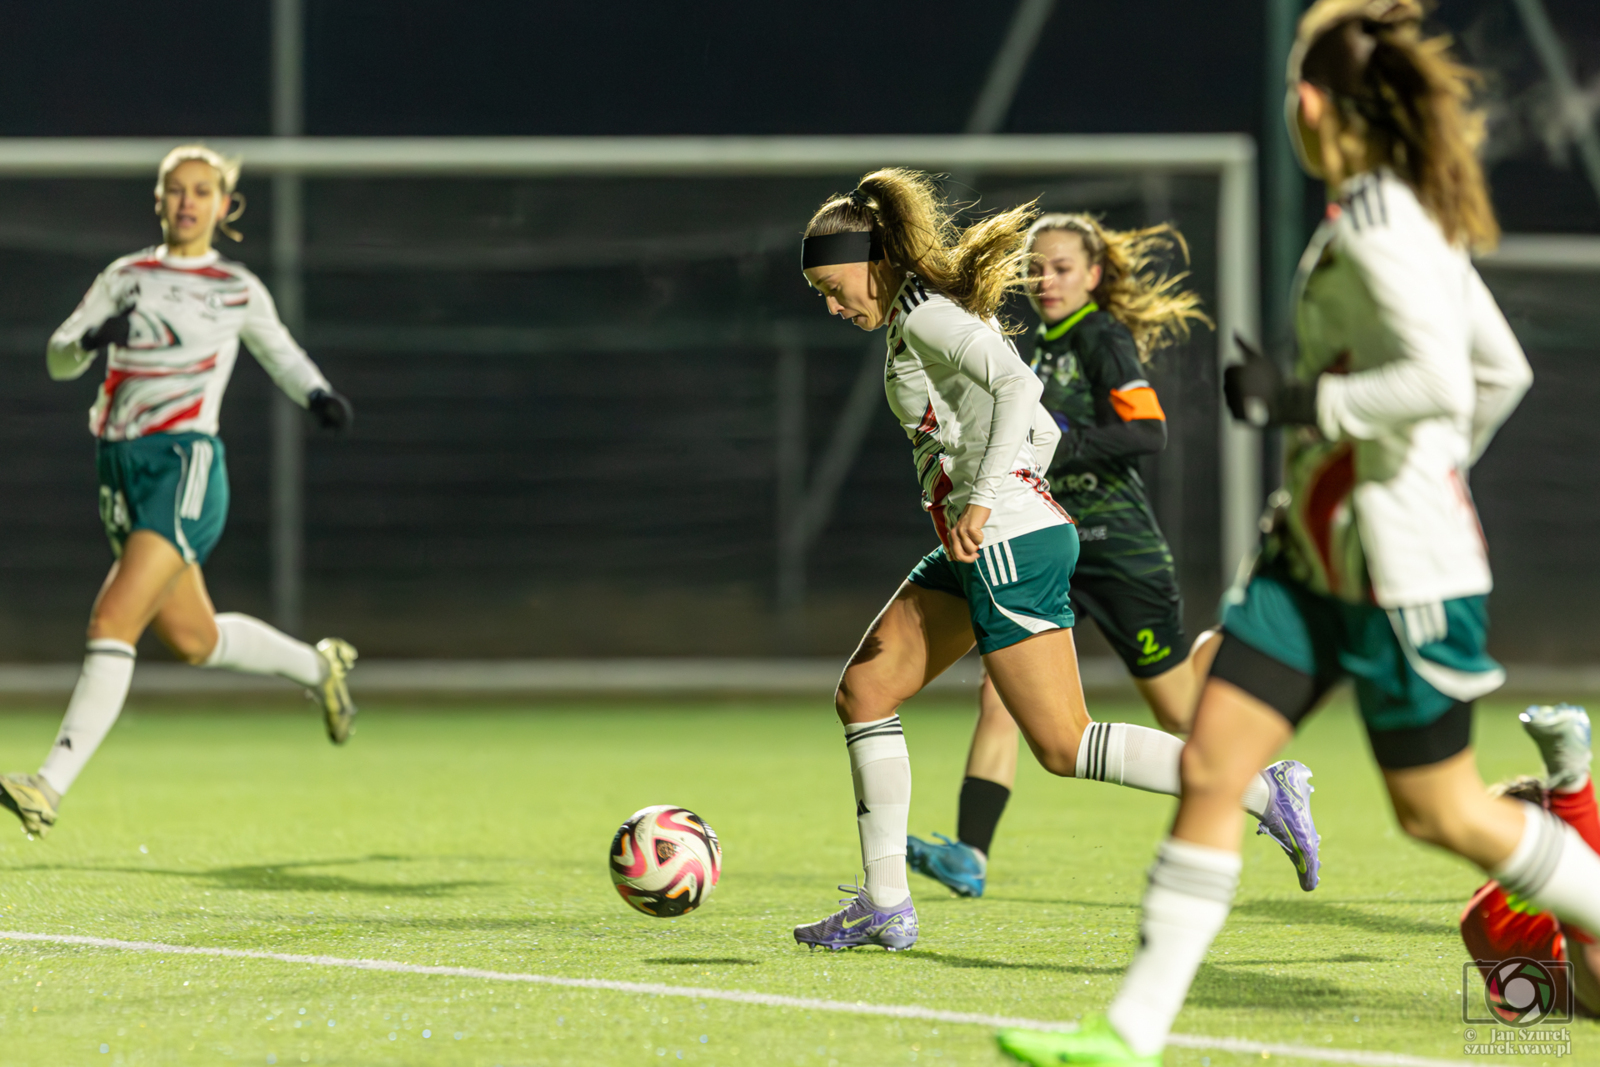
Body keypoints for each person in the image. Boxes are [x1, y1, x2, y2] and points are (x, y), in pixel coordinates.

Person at [997, 3, 1600, 1063]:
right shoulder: (1373, 209)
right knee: (1212, 765)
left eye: (1291, 84)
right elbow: (1501, 375)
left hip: (1400, 575)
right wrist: (1394, 456)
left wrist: (1310, 412)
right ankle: (1127, 1029)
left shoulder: (1383, 229)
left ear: (1310, 103)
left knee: (1443, 811)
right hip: (1305, 565)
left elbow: (1446, 378)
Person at [791, 169, 1319, 953]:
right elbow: (1038, 425)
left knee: (1063, 744)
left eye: (835, 286)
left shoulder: (927, 315)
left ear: (874, 260)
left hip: (1003, 539)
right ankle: (884, 903)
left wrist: (983, 498)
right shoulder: (917, 319)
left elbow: (1016, 383)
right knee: (865, 689)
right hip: (993, 538)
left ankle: (1259, 787)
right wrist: (995, 487)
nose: (833, 306)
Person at [907, 215, 1319, 899]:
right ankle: (969, 853)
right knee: (1001, 695)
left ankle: (1267, 758)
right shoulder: (1035, 350)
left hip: (1117, 550)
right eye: (1036, 267)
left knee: (1182, 714)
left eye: (1062, 267)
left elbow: (1146, 430)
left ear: (1093, 275)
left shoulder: (1101, 337)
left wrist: (1048, 445)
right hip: (1047, 543)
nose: (1046, 279)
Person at [0, 145, 359, 839]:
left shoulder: (236, 288)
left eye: (203, 191)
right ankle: (319, 667)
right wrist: (89, 341)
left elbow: (279, 351)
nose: (189, 201)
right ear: (159, 200)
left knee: (112, 619)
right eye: (176, 189)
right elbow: (58, 356)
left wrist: (317, 393)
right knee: (195, 637)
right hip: (118, 467)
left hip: (184, 466)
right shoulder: (126, 275)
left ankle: (47, 784)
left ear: (225, 207)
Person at [1462, 705, 1598, 1017]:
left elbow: (1517, 996)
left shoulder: (1478, 915)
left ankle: (1570, 782)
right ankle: (1570, 784)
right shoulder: (1484, 913)